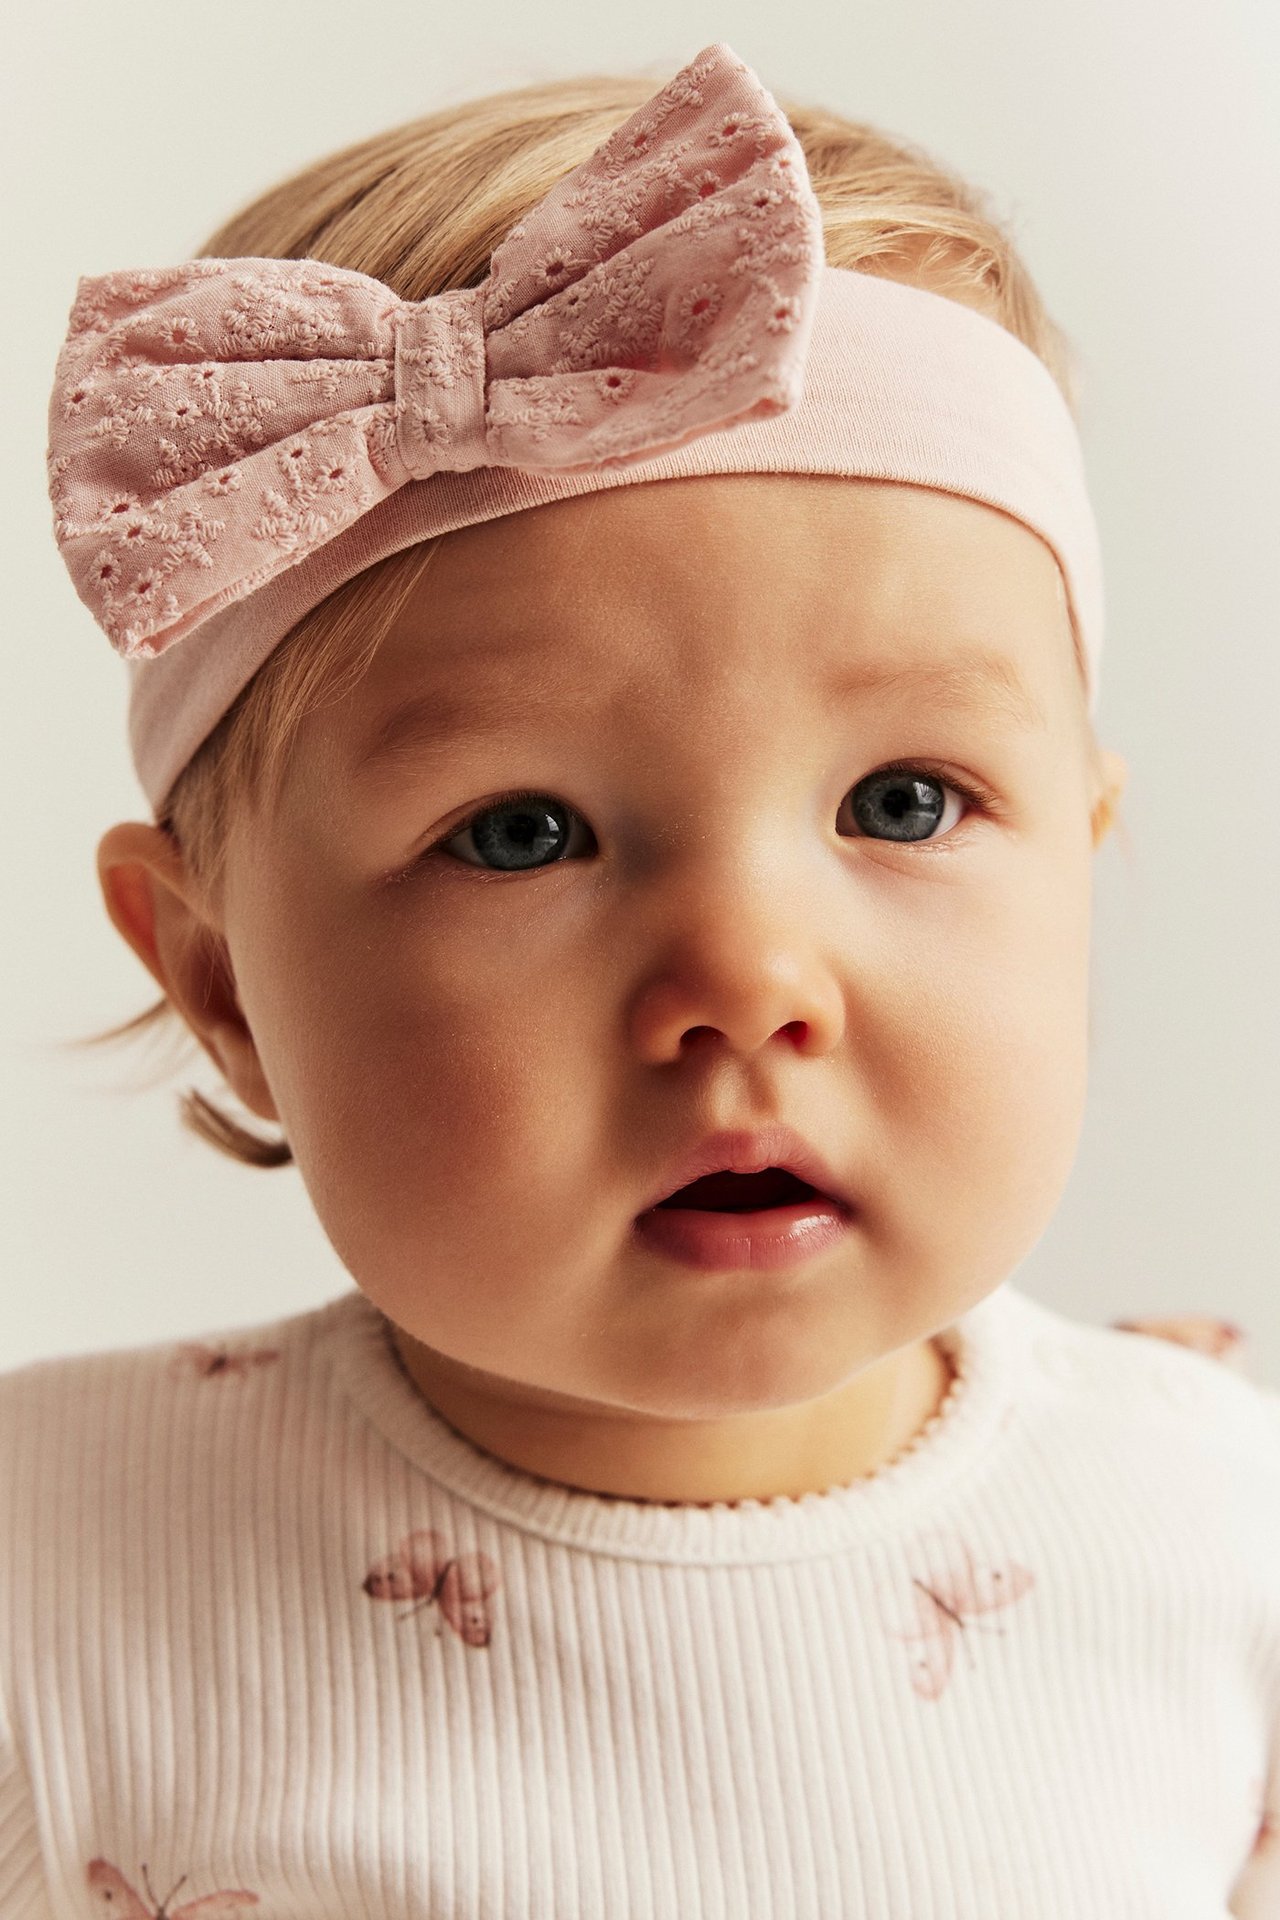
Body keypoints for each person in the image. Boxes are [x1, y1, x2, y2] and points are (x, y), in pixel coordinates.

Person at [6, 40, 1277, 1917]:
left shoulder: (1216, 1530)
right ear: (223, 987)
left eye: (905, 800)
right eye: (524, 832)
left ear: (1080, 867)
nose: (749, 980)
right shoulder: (53, 1570)